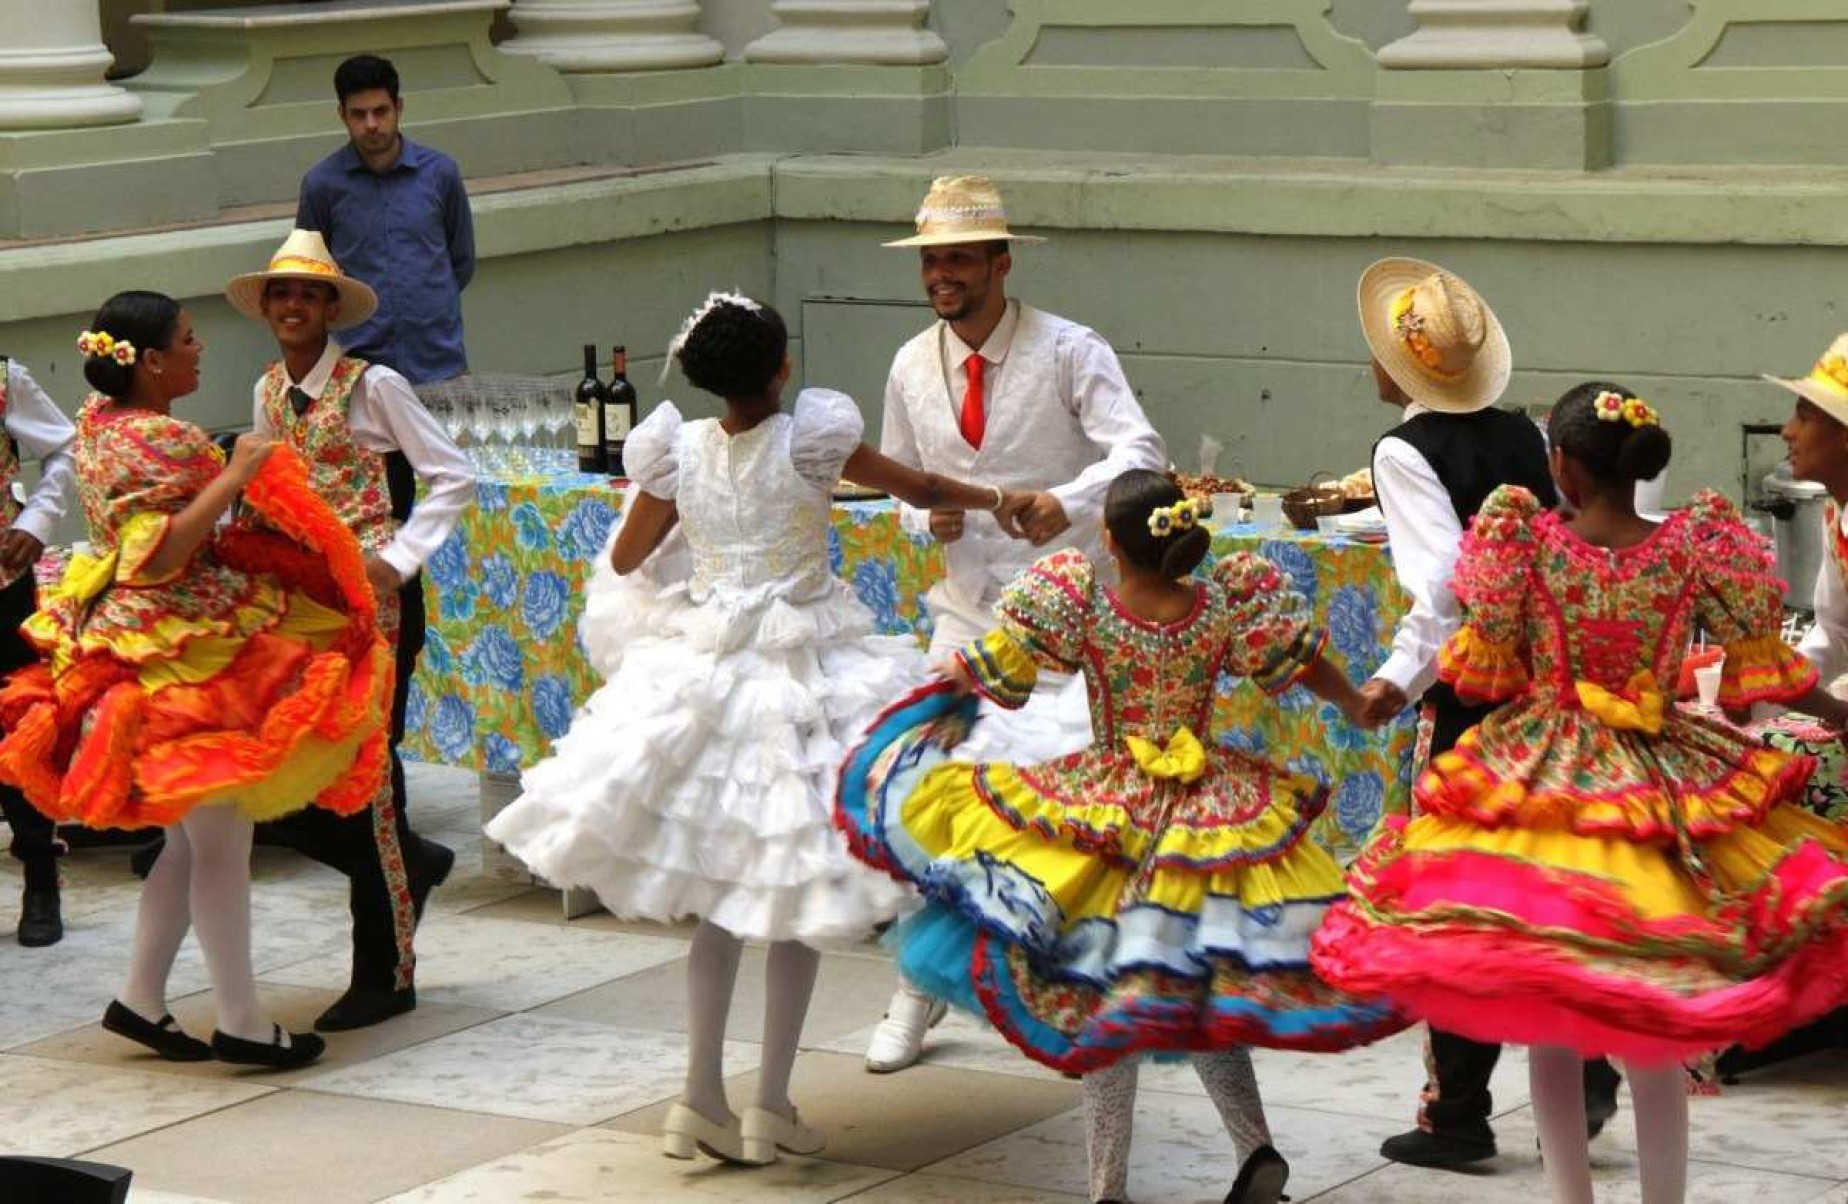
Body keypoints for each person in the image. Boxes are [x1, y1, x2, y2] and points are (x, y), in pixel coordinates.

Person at [484, 292, 1037, 1167]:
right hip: (802, 670)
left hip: (708, 666)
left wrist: (693, 546)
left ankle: (698, 1094)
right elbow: (921, 488)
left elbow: (626, 557)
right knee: (788, 898)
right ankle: (769, 1103)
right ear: (783, 370)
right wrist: (1003, 496)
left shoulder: (680, 451)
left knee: (721, 901)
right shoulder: (813, 439)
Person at [1313, 382, 1848, 1204]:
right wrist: (1833, 710)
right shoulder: (1693, 544)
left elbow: (1481, 668)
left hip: (1542, 781)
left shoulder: (1527, 547)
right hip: (1663, 778)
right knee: (1651, 1022)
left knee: (1551, 1019)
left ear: (1560, 464)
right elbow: (1757, 664)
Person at [837, 468, 1405, 1204]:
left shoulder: (1084, 606)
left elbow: (999, 666)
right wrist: (1358, 702)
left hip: (1110, 812)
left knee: (1109, 1000)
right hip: (1210, 815)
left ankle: (1109, 1189)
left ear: (1108, 540)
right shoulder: (1225, 605)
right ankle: (1255, 1146)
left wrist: (945, 698)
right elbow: (1296, 662)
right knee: (1205, 986)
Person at [0, 291, 393, 1068]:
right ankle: (243, 1019)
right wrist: (238, 471)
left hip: (143, 641)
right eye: (185, 339)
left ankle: (141, 1000)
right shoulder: (167, 440)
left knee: (188, 843)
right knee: (219, 842)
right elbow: (163, 552)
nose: (198, 348)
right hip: (182, 653)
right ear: (148, 362)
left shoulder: (97, 420)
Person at [868, 173, 1167, 1074]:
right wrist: (929, 518)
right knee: (936, 799)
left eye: (959, 257)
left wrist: (1064, 501)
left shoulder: (1071, 349)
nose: (942, 275)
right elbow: (901, 489)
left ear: (1001, 263)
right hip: (964, 616)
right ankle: (917, 990)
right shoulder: (910, 363)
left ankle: (1071, 984)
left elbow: (1140, 452)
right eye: (931, 260)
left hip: (1069, 620)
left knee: (1064, 811)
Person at [1348, 257, 1621, 1169]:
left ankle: (1458, 1110)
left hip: (1473, 696)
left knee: (1459, 892)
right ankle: (1583, 1066)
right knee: (1545, 881)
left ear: (1401, 368)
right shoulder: (1526, 432)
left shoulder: (1403, 450)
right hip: (1549, 694)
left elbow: (1444, 588)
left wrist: (1397, 677)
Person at [221, 228, 476, 1033]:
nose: (292, 306)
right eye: (281, 294)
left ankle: (387, 970)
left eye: (307, 294)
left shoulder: (375, 386)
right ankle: (411, 861)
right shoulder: (266, 391)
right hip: (300, 608)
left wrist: (397, 558)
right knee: (297, 773)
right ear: (265, 308)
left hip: (373, 606)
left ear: (332, 308)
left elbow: (452, 474)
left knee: (369, 774)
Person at [297, 53, 473, 389]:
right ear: (342, 115)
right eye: (358, 114)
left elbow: (460, 263)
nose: (371, 124)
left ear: (399, 108)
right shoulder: (322, 185)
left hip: (439, 365)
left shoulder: (441, 173)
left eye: (381, 111)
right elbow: (309, 277)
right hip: (359, 374)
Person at [0, 356, 76, 947]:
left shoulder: (5, 378)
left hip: (1, 582)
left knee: (18, 727)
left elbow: (66, 449)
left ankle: (41, 876)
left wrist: (39, 517)